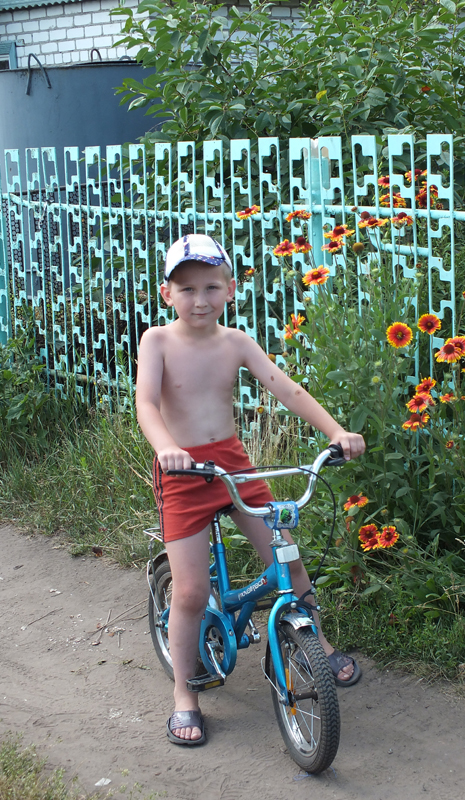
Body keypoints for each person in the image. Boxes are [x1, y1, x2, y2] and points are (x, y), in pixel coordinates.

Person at [136, 233, 365, 746]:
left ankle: (321, 648)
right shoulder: (157, 341)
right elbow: (146, 403)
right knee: (191, 592)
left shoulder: (236, 342)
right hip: (182, 472)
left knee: (289, 560)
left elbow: (286, 388)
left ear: (231, 290)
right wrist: (167, 447)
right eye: (187, 289)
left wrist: (335, 432)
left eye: (211, 287)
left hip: (232, 464)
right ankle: (184, 694)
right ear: (166, 294)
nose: (200, 300)